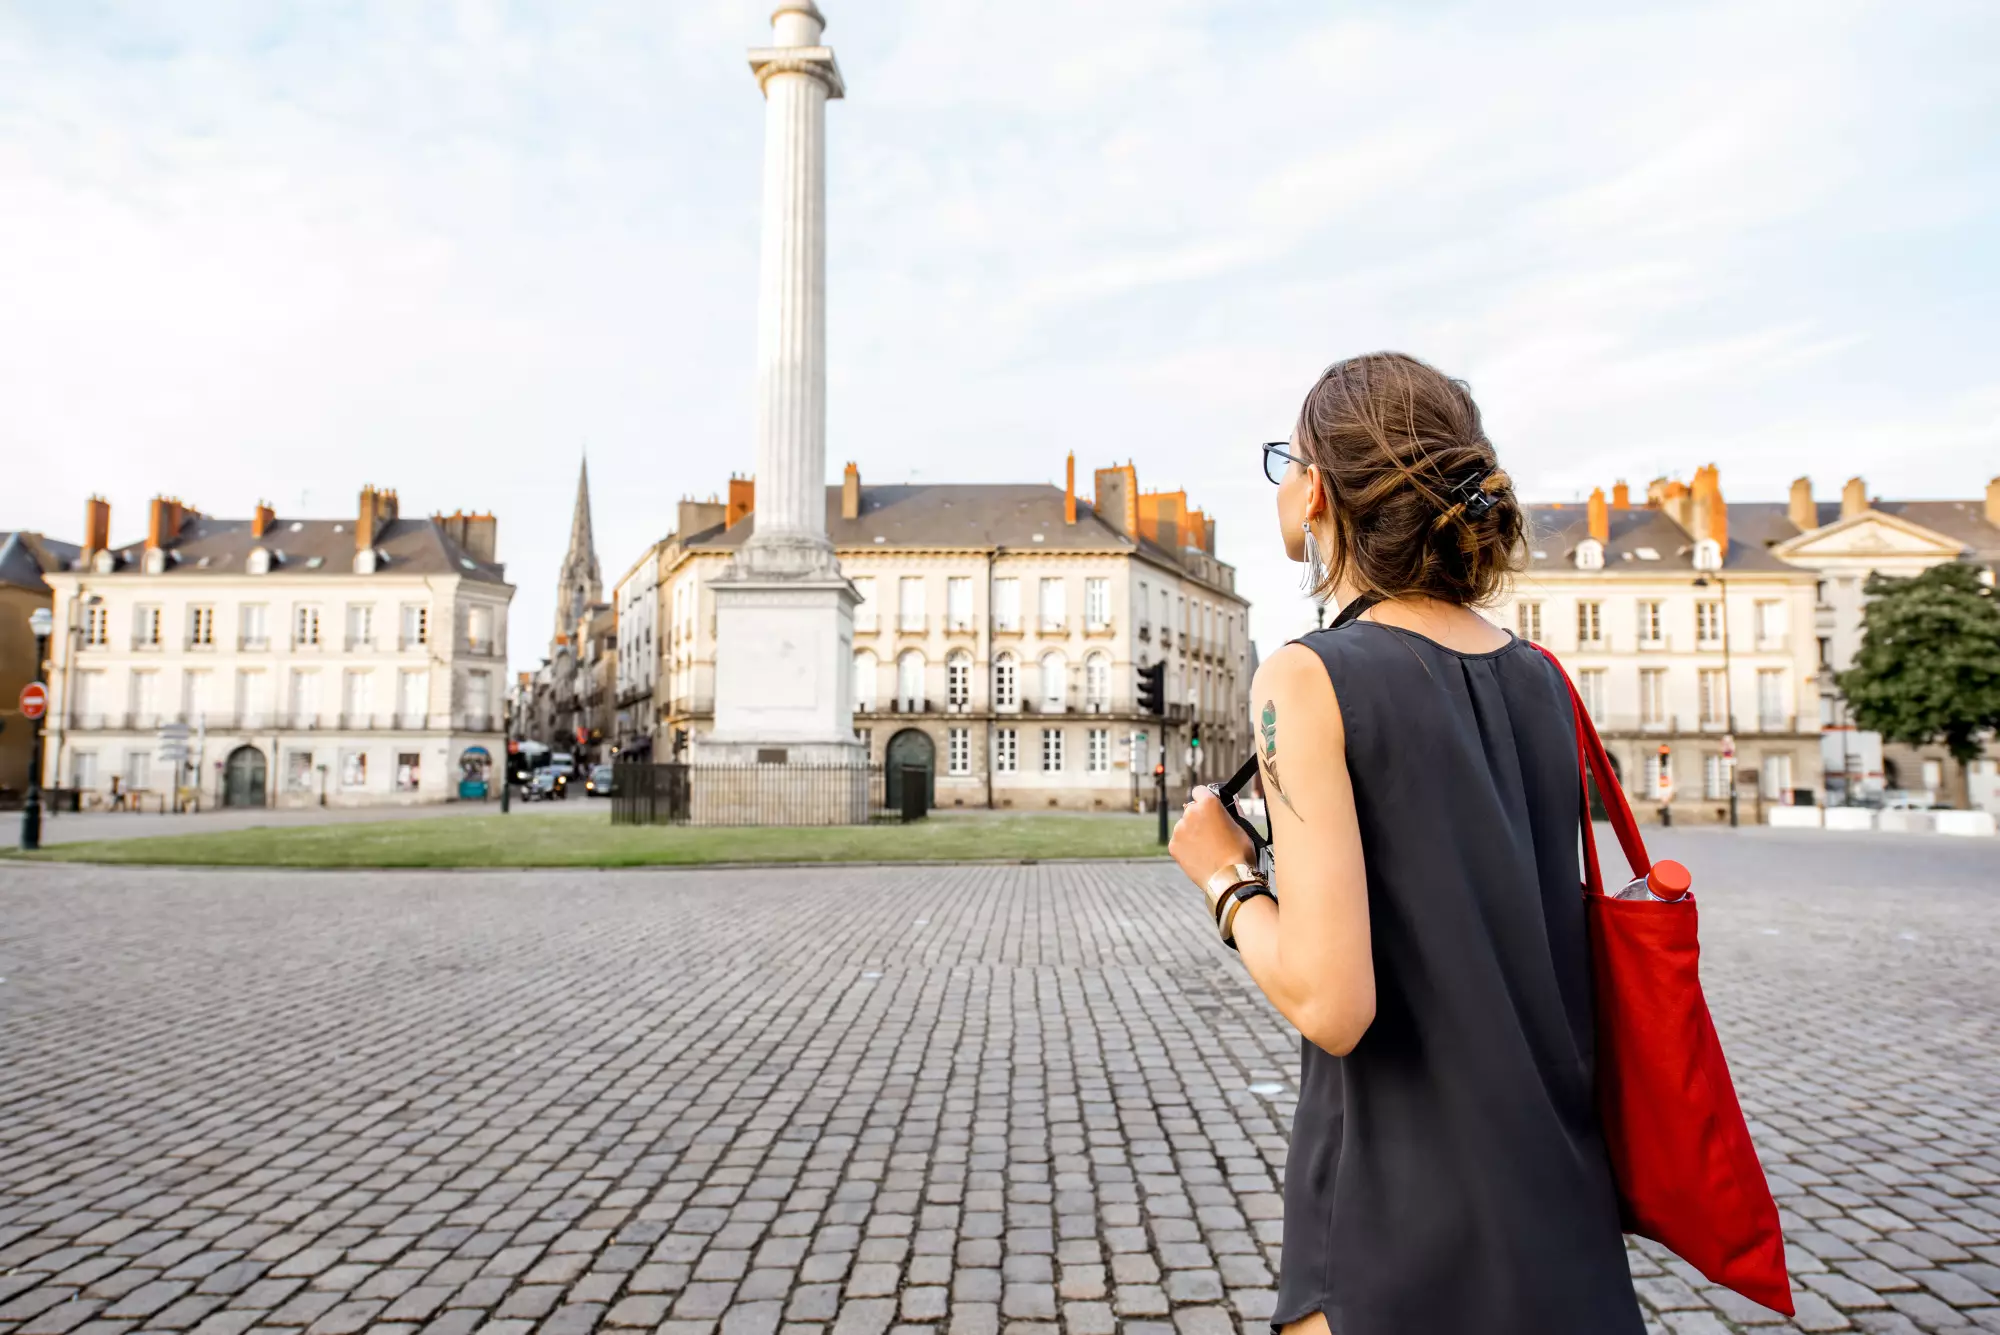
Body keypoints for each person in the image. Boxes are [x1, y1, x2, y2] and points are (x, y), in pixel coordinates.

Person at [1168, 353, 1644, 1335]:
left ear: (1319, 493)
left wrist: (1225, 876)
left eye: (1287, 459)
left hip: (1396, 1231)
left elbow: (1332, 1003)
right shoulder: (1542, 679)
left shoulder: (1305, 678)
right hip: (1562, 1211)